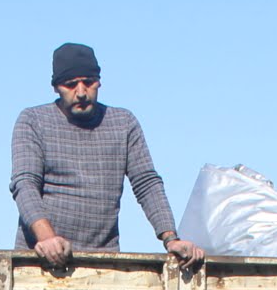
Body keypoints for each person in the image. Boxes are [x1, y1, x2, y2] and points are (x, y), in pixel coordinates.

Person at [10, 44, 204, 268]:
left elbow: (146, 183)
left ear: (99, 81)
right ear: (56, 87)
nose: (81, 92)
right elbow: (25, 183)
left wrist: (171, 238)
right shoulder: (33, 121)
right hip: (38, 259)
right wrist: (47, 238)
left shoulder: (123, 123)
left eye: (88, 83)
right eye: (71, 85)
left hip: (102, 261)